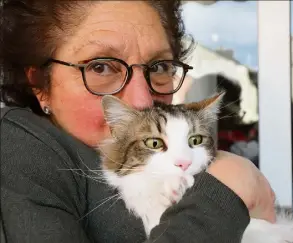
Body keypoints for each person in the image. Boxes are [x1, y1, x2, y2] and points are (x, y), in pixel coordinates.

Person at [0, 1, 276, 242]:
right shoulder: (17, 145)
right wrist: (224, 193)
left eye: (159, 68)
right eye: (101, 67)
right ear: (38, 83)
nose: (143, 101)